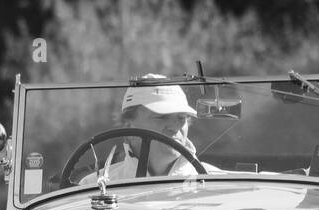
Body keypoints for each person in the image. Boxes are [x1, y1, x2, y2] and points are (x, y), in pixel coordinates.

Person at [80, 75, 223, 183]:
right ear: (129, 126)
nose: (174, 127)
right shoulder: (93, 187)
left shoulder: (219, 185)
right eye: (161, 117)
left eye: (181, 118)